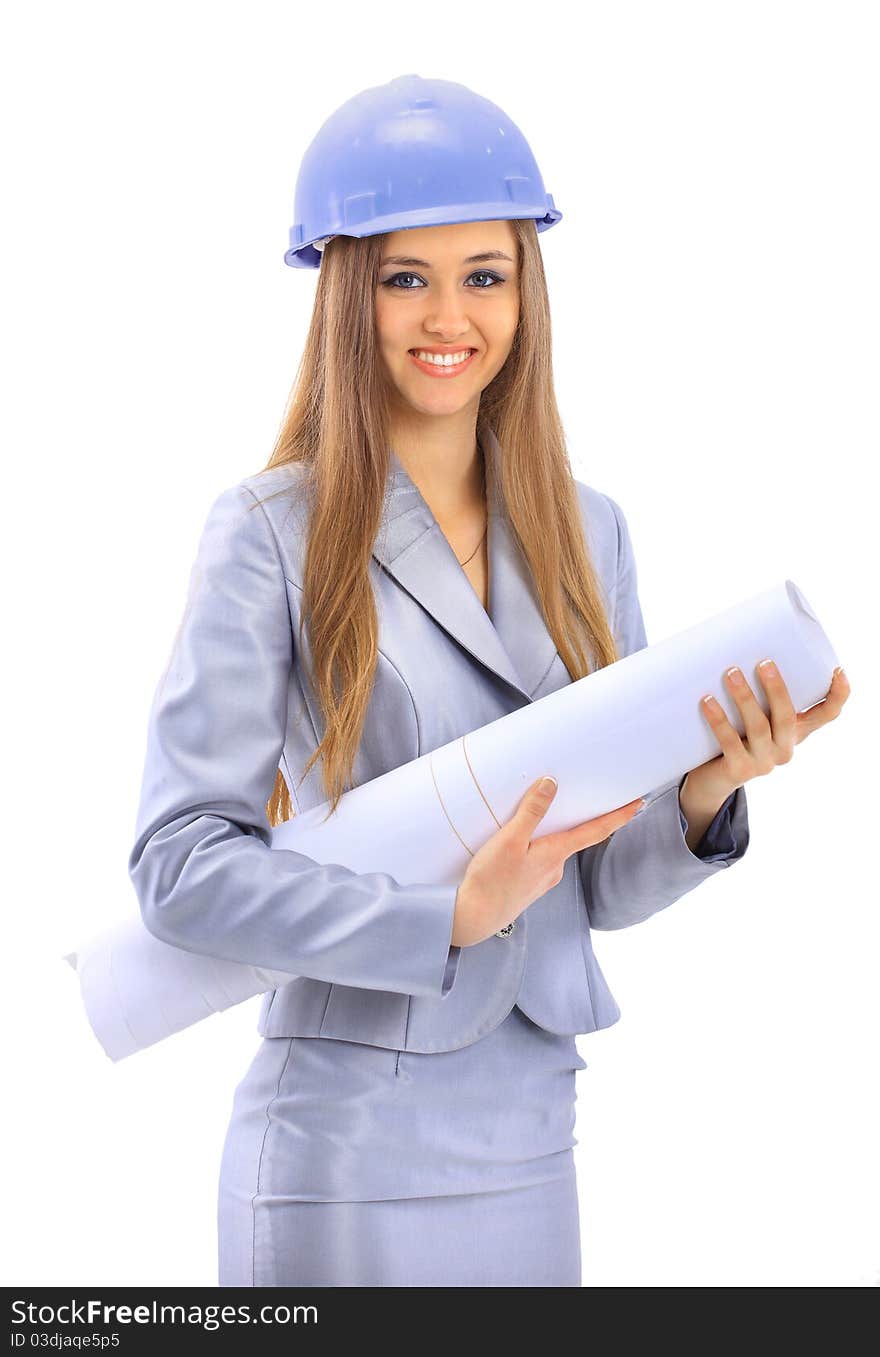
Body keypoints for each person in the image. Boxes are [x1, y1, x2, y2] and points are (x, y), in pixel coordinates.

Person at [127, 74, 849, 1288]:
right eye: (406, 277)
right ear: (349, 293)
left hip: (532, 1136)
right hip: (345, 1145)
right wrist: (443, 917)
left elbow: (593, 885)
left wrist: (700, 796)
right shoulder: (268, 531)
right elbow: (179, 869)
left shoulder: (589, 531)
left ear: (527, 289)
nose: (447, 315)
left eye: (484, 274)